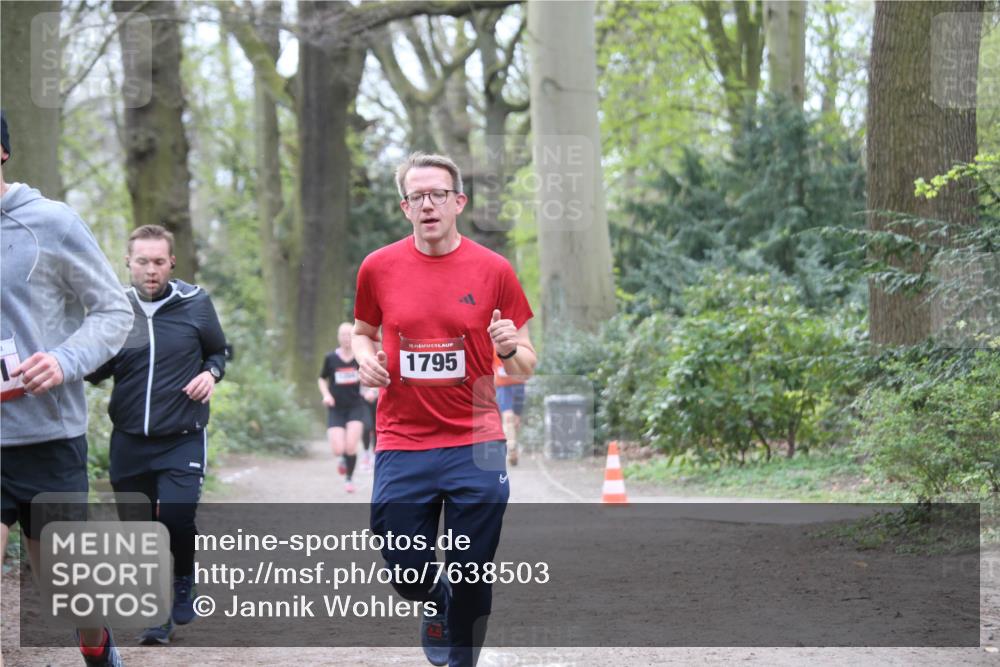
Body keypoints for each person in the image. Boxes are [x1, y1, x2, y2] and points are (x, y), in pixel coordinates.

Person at [353, 152, 536, 667]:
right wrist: (367, 361)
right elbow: (364, 333)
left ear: (459, 202)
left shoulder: (494, 270)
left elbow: (525, 365)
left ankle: (462, 660)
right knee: (403, 565)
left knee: (472, 570)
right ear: (404, 207)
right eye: (417, 197)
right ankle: (434, 598)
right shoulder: (378, 267)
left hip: (475, 439)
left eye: (438, 195)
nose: (428, 205)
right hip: (402, 438)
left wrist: (505, 348)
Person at [0, 110, 133, 666]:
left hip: (46, 437)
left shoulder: (49, 223)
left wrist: (63, 359)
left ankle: (97, 646)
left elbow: (112, 311)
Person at [86, 224, 227, 646]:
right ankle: (158, 617)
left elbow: (218, 351)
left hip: (182, 434)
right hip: (128, 438)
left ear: (172, 263)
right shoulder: (114, 309)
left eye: (159, 262)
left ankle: (185, 577)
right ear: (128, 262)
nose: (151, 270)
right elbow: (94, 369)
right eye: (143, 261)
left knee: (176, 516)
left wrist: (211, 373)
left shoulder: (194, 303)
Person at [318, 322, 367, 493]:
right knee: (338, 449)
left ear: (353, 337)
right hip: (336, 407)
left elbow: (369, 377)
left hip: (355, 406)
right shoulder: (330, 358)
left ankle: (349, 479)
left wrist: (370, 391)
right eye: (343, 335)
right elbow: (322, 379)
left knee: (351, 446)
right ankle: (343, 459)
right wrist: (326, 395)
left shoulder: (359, 358)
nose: (346, 338)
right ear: (339, 337)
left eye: (349, 335)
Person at [493, 351, 528, 466]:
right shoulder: (490, 344)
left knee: (515, 422)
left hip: (519, 385)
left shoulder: (516, 342)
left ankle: (512, 447)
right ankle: (511, 449)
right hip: (503, 387)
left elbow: (527, 364)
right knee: (508, 417)